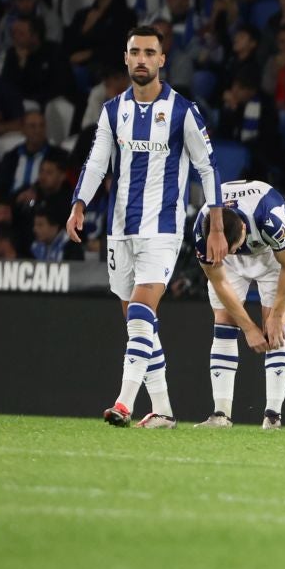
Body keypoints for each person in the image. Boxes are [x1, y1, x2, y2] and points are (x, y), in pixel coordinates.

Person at [70, 25, 226, 428]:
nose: (141, 58)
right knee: (139, 324)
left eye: (149, 52)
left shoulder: (182, 111)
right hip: (119, 230)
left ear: (161, 60)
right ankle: (163, 411)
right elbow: (96, 163)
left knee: (141, 310)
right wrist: (78, 204)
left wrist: (216, 225)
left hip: (163, 229)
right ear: (126, 58)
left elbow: (207, 168)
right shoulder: (111, 111)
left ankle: (123, 402)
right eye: (134, 51)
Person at [191, 179, 285, 430]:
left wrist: (277, 314)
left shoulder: (269, 216)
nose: (232, 251)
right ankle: (221, 414)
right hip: (228, 261)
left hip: (271, 256)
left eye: (233, 247)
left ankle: (273, 416)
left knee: (275, 329)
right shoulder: (202, 231)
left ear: (242, 227)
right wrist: (248, 328)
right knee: (224, 324)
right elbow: (218, 282)